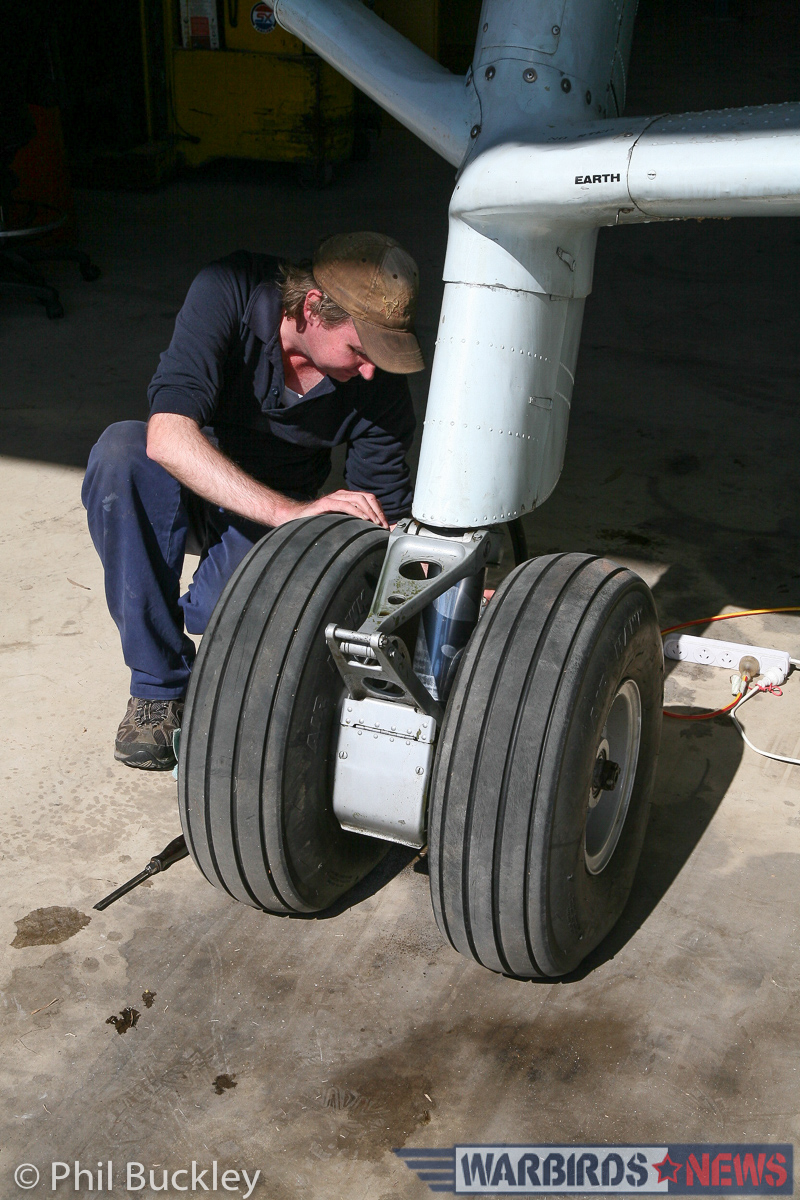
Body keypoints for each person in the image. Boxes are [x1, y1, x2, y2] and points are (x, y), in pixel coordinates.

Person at [82, 231, 423, 770]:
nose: (370, 371)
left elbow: (382, 514)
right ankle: (157, 689)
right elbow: (168, 437)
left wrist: (439, 584)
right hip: (197, 487)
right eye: (360, 350)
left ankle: (215, 671)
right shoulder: (230, 290)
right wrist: (293, 513)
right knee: (123, 453)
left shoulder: (375, 387)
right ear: (312, 308)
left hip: (276, 510)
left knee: (226, 617)